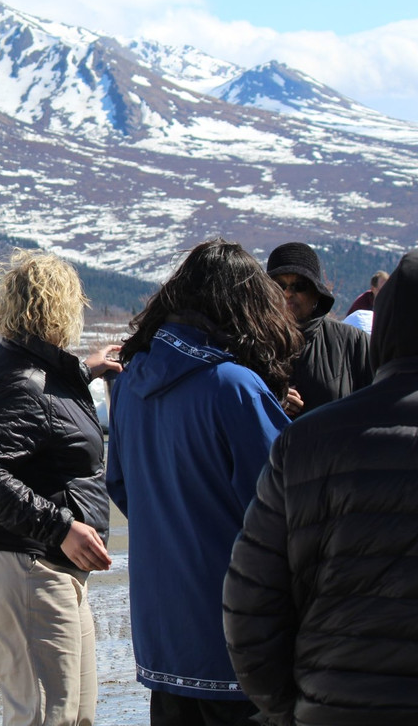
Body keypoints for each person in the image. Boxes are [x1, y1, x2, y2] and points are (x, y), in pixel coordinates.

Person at [106, 239, 302, 726]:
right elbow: (288, 507)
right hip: (240, 635)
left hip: (163, 633)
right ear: (243, 306)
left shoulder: (130, 382)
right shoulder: (232, 386)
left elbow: (120, 484)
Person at [224, 250, 418, 725]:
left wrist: (287, 706)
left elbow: (250, 605)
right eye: (280, 285)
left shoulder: (306, 441)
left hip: (335, 698)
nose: (289, 296)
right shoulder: (245, 358)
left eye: (299, 286)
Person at [0, 249, 118, 726]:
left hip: (43, 562)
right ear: (63, 307)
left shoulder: (22, 366)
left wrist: (86, 369)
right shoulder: (24, 380)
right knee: (47, 717)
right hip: (25, 562)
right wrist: (61, 526)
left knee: (73, 715)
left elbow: (41, 416)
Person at [266, 242, 372, 417]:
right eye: (279, 286)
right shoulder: (250, 343)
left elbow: (378, 404)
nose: (287, 293)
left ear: (316, 293)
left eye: (299, 286)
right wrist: (269, 400)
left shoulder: (353, 342)